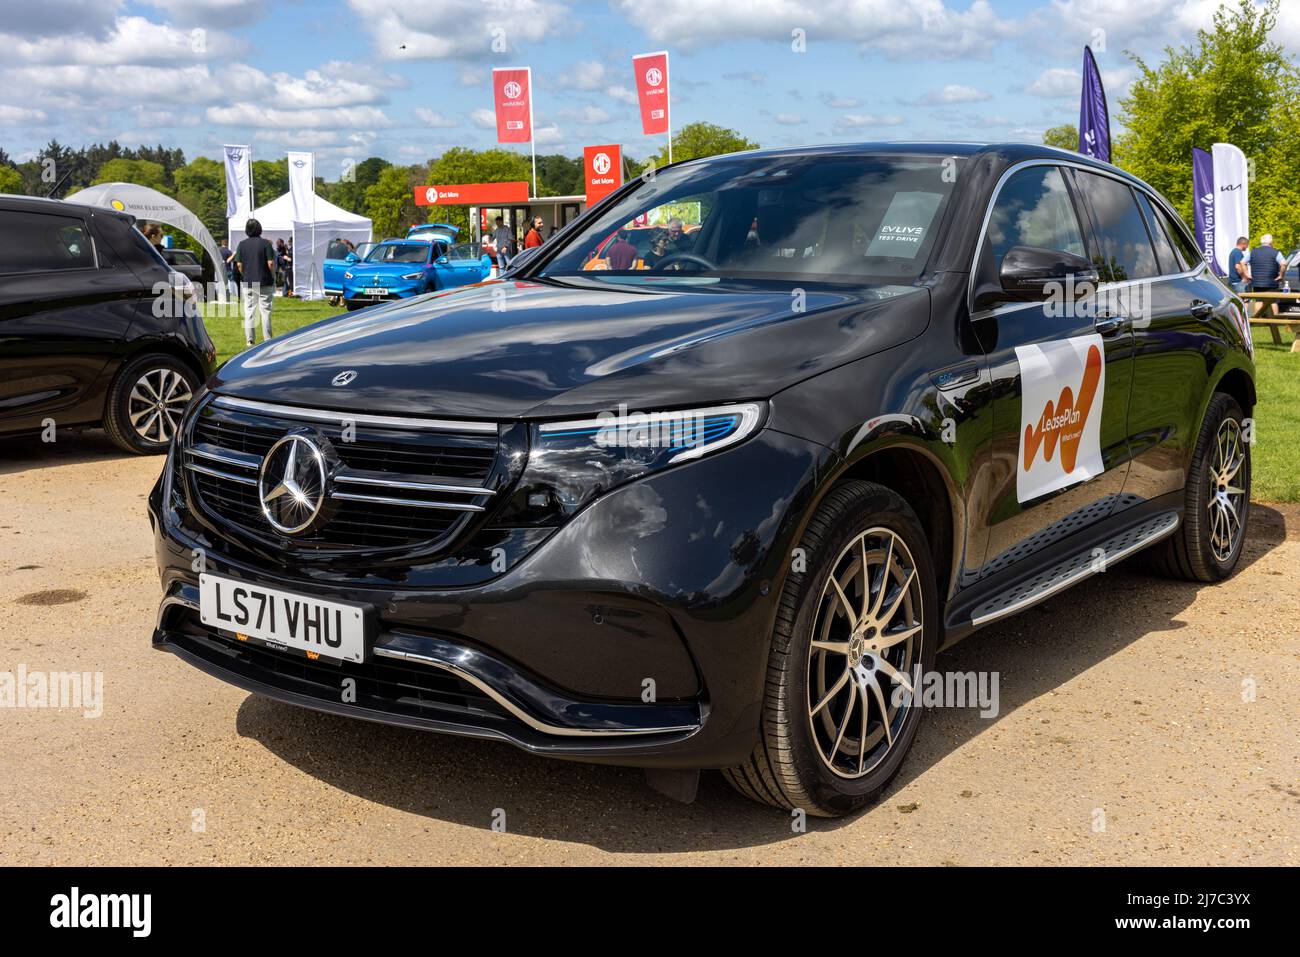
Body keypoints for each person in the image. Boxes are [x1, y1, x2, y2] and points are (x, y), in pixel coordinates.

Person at [232, 218, 276, 347]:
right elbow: (271, 263)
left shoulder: (241, 244)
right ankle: (268, 338)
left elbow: (239, 265)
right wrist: (273, 276)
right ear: (259, 229)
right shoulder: (266, 244)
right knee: (266, 311)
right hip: (265, 281)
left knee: (249, 311)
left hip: (249, 282)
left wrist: (245, 275)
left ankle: (250, 340)